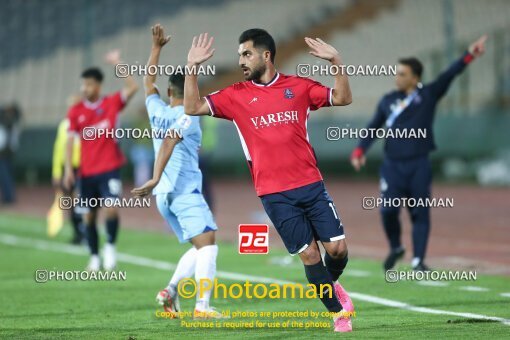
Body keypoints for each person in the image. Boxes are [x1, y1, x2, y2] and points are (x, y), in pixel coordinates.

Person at [184, 29, 354, 332]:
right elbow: (192, 107)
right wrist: (192, 68)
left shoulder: (299, 87)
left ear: (266, 55)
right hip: (274, 194)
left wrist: (336, 61)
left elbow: (342, 98)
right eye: (239, 55)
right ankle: (338, 313)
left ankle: (330, 285)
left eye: (246, 54)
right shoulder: (235, 95)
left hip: (311, 185)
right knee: (310, 254)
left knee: (338, 249)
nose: (241, 61)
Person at [350, 35, 487, 271]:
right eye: (397, 73)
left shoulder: (429, 95)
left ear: (415, 78)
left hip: (419, 165)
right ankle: (395, 247)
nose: (397, 77)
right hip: (392, 166)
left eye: (402, 74)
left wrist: (470, 54)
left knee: (420, 212)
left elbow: (450, 74)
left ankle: (418, 260)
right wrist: (361, 149)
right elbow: (374, 126)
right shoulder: (388, 100)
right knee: (388, 210)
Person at [131, 24, 222, 319]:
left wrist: (156, 49)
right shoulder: (189, 116)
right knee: (208, 243)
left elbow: (148, 83)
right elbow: (171, 140)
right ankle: (202, 308)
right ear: (193, 92)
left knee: (200, 244)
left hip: (163, 197)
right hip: (182, 190)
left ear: (169, 90)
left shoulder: (156, 109)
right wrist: (155, 176)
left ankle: (170, 292)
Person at [64, 50, 139, 271]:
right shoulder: (75, 111)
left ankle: (110, 248)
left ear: (97, 85)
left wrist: (118, 62)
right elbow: (70, 142)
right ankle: (94, 256)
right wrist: (69, 169)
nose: (84, 89)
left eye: (88, 84)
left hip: (110, 168)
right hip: (86, 172)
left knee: (112, 209)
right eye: (82, 85)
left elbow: (133, 87)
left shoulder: (111, 102)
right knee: (88, 216)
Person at [51, 95, 83, 244]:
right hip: (68, 168)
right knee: (70, 202)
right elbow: (58, 150)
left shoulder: (86, 124)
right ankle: (78, 232)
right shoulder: (64, 125)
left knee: (80, 201)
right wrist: (57, 172)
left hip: (83, 168)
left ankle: (84, 231)